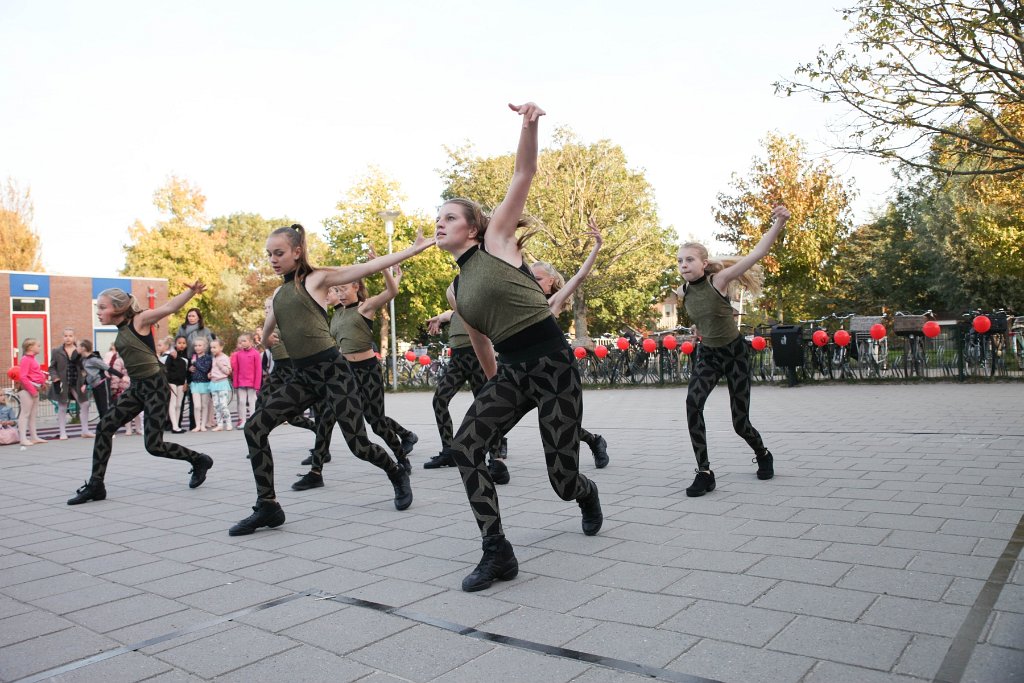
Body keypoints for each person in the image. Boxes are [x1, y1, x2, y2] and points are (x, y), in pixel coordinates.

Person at [434, 102, 602, 592]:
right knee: (467, 446)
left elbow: (524, 171)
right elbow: (483, 342)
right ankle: (497, 550)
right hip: (510, 372)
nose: (440, 223)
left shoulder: (498, 243)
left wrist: (527, 126)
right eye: (437, 218)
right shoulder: (457, 290)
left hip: (553, 367)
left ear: (474, 226)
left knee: (561, 480)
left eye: (449, 217)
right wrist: (494, 392)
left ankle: (585, 493)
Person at [231, 223, 433, 535]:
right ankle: (267, 505)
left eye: (279, 253)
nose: (273, 259)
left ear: (297, 252)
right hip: (302, 378)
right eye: (269, 254)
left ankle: (396, 472)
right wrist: (266, 336)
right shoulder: (280, 292)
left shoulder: (316, 279)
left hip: (334, 373)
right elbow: (272, 322)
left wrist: (414, 249)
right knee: (255, 427)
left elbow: (366, 267)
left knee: (358, 444)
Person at [66, 280, 215, 505]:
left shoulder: (140, 320)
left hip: (155, 386)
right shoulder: (120, 329)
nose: (98, 312)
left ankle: (199, 460)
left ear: (118, 308)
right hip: (137, 388)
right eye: (98, 307)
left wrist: (191, 292)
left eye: (102, 307)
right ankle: (96, 484)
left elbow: (169, 308)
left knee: (154, 446)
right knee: (104, 427)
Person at [677, 204, 791, 497]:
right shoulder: (682, 292)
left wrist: (779, 221)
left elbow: (757, 254)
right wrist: (697, 328)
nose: (684, 265)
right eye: (680, 261)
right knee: (693, 404)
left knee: (740, 423)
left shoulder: (720, 281)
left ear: (703, 263)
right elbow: (704, 317)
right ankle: (704, 472)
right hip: (708, 355)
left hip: (735, 354)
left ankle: (763, 454)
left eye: (689, 260)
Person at [293, 256, 417, 490]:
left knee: (376, 422)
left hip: (367, 371)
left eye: (342, 288)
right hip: (344, 372)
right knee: (326, 418)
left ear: (356, 286)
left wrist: (384, 268)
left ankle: (402, 458)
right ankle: (315, 471)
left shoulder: (365, 307)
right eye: (336, 290)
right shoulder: (336, 313)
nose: (338, 294)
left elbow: (392, 291)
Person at [528, 217, 609, 470]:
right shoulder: (520, 301)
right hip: (527, 369)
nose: (533, 282)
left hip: (557, 369)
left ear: (551, 282)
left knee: (563, 423)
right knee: (555, 422)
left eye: (538, 278)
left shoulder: (551, 303)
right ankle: (495, 454)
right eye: (529, 278)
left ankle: (595, 441)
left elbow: (580, 275)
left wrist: (596, 246)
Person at [421, 308, 507, 470]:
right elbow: (450, 313)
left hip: (478, 356)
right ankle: (448, 452)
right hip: (457, 359)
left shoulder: (478, 296)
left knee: (486, 406)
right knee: (439, 400)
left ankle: (495, 459)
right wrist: (438, 318)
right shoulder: (456, 307)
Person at [174, 308, 217, 429]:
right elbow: (177, 342)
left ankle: (195, 423)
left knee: (197, 396)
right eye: (189, 316)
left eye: (193, 316)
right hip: (185, 361)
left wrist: (210, 364)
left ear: (199, 317)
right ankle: (176, 423)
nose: (191, 318)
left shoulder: (205, 330)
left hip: (201, 362)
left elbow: (211, 346)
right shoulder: (182, 328)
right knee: (182, 392)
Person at [50, 328, 91, 440]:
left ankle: (85, 430)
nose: (68, 338)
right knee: (62, 406)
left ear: (74, 337)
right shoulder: (56, 351)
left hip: (77, 382)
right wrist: (55, 377)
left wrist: (85, 376)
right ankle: (62, 432)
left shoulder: (79, 350)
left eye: (70, 336)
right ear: (63, 337)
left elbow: (85, 365)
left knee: (85, 404)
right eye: (66, 336)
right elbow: (52, 367)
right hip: (63, 382)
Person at [78, 339, 122, 425]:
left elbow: (107, 368)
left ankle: (110, 428)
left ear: (83, 348)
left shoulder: (94, 359)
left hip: (102, 383)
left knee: (105, 407)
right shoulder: (84, 360)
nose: (77, 348)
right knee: (99, 408)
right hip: (94, 385)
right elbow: (89, 374)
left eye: (78, 346)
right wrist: (85, 384)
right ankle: (103, 427)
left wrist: (121, 376)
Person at [17, 338, 48, 446]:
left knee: (33, 414)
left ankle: (34, 436)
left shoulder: (33, 359)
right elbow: (23, 377)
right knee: (25, 414)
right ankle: (23, 438)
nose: (39, 347)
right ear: (30, 347)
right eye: (38, 345)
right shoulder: (26, 359)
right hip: (27, 390)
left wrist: (42, 383)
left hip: (34, 389)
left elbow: (36, 373)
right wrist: (32, 390)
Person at [230, 333, 261, 428]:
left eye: (244, 341)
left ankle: (252, 420)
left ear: (250, 342)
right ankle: (243, 420)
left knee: (252, 401)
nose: (242, 343)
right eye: (240, 342)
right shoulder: (238, 354)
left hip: (252, 382)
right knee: (242, 401)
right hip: (241, 382)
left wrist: (257, 384)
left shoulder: (255, 353)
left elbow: (258, 369)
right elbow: (236, 370)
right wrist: (235, 383)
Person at [165, 336, 189, 433]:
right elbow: (166, 368)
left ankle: (177, 425)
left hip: (181, 382)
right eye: (179, 343)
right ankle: (174, 426)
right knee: (173, 403)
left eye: (183, 343)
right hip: (172, 382)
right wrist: (167, 382)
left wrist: (186, 383)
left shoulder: (187, 356)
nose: (181, 345)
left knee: (179, 405)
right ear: (175, 344)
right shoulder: (171, 354)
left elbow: (187, 371)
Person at [188, 337, 212, 432]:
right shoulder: (193, 357)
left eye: (199, 345)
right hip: (195, 384)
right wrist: (190, 369)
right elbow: (192, 368)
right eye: (195, 345)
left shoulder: (208, 357)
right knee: (197, 406)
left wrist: (195, 363)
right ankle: (197, 425)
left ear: (205, 347)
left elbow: (205, 369)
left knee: (204, 405)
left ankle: (203, 425)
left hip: (205, 383)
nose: (197, 347)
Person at [208, 339, 233, 431]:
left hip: (222, 383)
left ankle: (229, 423)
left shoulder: (225, 357)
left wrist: (220, 366)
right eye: (211, 347)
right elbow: (214, 369)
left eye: (214, 347)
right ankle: (220, 424)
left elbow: (228, 371)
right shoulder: (213, 358)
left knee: (223, 405)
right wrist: (210, 374)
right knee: (216, 405)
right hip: (213, 383)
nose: (212, 349)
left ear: (221, 348)